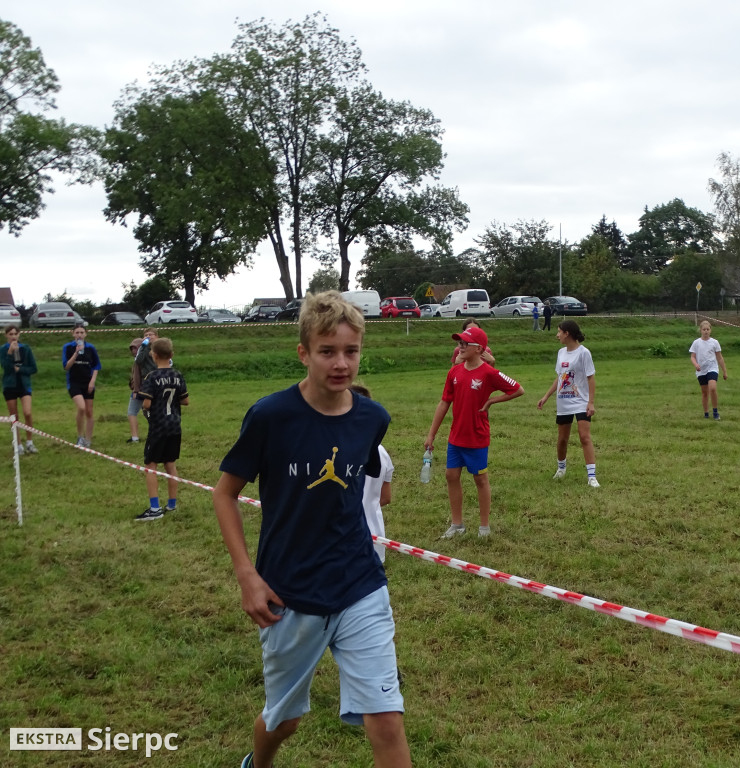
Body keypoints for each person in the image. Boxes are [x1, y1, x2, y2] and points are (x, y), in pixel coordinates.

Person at [212, 292, 410, 768]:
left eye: (351, 351)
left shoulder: (372, 418)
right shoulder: (270, 417)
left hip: (359, 583)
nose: (341, 363)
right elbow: (224, 494)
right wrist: (247, 577)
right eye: (327, 351)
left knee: (385, 718)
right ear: (303, 352)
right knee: (285, 722)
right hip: (289, 593)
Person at [426, 325, 524, 538]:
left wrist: (492, 400)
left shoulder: (489, 373)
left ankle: (484, 527)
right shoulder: (454, 372)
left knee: (480, 479)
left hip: (477, 437)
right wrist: (431, 434)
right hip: (456, 436)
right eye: (458, 343)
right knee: (451, 475)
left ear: (479, 349)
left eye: (464, 343)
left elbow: (517, 389)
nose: (459, 347)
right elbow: (444, 402)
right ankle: (457, 525)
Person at [537, 320, 599, 487]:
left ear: (567, 334)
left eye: (559, 332)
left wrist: (591, 403)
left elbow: (591, 377)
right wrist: (546, 396)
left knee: (584, 437)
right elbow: (560, 377)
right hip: (563, 402)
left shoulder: (584, 353)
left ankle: (592, 477)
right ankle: (561, 469)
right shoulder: (560, 353)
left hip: (580, 402)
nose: (557, 335)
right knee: (562, 439)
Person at [135, 338, 189, 521]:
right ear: (172, 355)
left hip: (158, 427)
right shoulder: (178, 375)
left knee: (150, 466)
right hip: (174, 426)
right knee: (170, 464)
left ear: (153, 355)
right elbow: (185, 400)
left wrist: (147, 405)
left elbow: (147, 404)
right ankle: (172, 505)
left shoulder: (151, 377)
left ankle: (155, 508)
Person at [351, 384, 395, 563]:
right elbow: (385, 497)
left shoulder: (333, 452)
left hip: (345, 541)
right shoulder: (383, 453)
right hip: (375, 539)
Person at [62, 323, 101, 447]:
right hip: (74, 382)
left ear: (85, 334)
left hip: (88, 382)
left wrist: (92, 381)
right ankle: (80, 437)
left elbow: (96, 365)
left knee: (89, 411)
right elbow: (66, 366)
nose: (79, 335)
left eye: (81, 332)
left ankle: (88, 439)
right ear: (73, 334)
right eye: (77, 332)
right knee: (81, 408)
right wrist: (76, 353)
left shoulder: (91, 348)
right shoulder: (68, 347)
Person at [2, 325, 39, 455]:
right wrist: (10, 353)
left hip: (24, 384)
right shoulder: (3, 350)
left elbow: (33, 368)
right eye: (10, 334)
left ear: (19, 335)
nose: (13, 336)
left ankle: (29, 441)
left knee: (27, 412)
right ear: (6, 335)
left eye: (15, 334)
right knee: (14, 416)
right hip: (10, 385)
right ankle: (17, 443)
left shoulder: (26, 349)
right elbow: (6, 367)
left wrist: (21, 370)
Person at [689, 320, 729, 420]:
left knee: (712, 388)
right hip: (701, 370)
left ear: (710, 330)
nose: (706, 331)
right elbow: (692, 357)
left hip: (712, 368)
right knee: (704, 392)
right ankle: (706, 413)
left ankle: (715, 412)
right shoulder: (696, 343)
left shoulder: (714, 342)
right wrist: (696, 364)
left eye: (708, 329)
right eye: (704, 329)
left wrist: (724, 371)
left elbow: (719, 357)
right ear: (700, 330)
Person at [126, 337, 144, 444]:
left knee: (132, 412)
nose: (133, 351)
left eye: (136, 348)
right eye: (132, 349)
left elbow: (138, 377)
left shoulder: (139, 361)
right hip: (140, 390)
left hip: (140, 391)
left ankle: (135, 438)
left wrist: (135, 391)